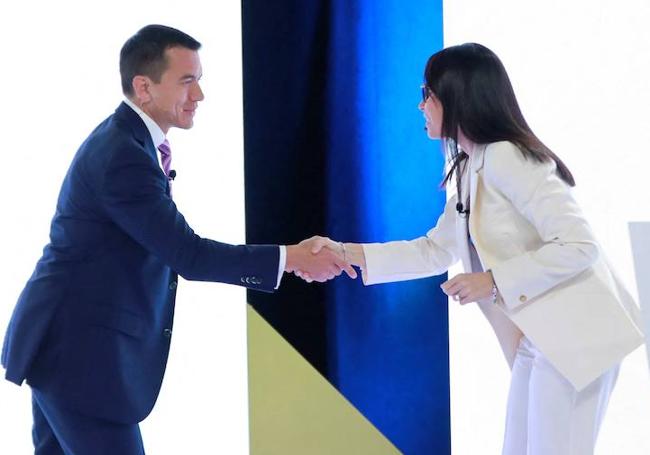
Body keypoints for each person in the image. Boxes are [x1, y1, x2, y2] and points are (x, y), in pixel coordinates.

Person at [1, 24, 355, 454]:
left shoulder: (130, 144)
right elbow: (188, 254)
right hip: (79, 359)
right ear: (143, 87)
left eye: (199, 80)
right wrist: (291, 258)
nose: (199, 95)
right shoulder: (122, 157)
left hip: (65, 351)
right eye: (187, 81)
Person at [300, 43, 643, 455]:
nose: (420, 105)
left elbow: (578, 245)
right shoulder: (470, 165)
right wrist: (343, 251)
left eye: (427, 93)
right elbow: (433, 250)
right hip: (542, 340)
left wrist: (492, 281)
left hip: (575, 337)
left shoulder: (506, 158)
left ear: (457, 96)